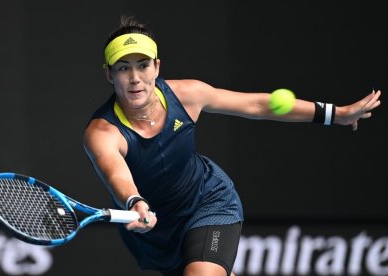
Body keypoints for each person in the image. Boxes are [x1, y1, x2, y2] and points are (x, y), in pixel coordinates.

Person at [83, 15, 382, 276]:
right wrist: (134, 202)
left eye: (143, 65)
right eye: (123, 68)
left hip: (208, 201)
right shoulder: (102, 132)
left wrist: (337, 115)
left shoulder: (187, 95)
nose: (135, 78)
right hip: (157, 234)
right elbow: (116, 174)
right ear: (109, 74)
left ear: (157, 67)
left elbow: (258, 105)